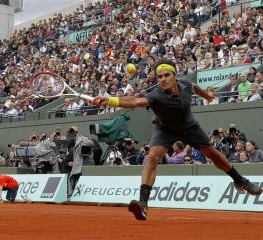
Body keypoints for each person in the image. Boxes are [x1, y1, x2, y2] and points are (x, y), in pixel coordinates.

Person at [92, 59, 262, 221]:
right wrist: (111, 100)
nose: (163, 79)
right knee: (152, 157)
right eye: (159, 77)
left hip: (189, 127)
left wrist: (206, 95)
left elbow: (194, 87)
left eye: (166, 75)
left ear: (175, 76)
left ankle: (240, 181)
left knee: (213, 154)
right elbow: (134, 101)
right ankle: (143, 203)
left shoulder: (185, 84)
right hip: (164, 129)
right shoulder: (156, 95)